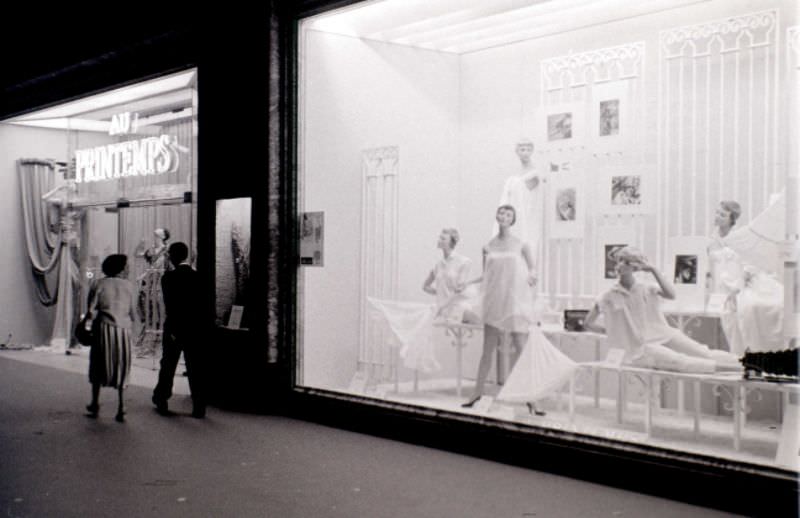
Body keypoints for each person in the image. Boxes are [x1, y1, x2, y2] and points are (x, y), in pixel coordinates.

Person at [584, 246, 740, 373]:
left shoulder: (645, 288)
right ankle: (739, 370)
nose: (619, 265)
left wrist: (653, 270)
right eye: (618, 261)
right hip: (641, 348)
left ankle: (748, 364)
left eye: (625, 262)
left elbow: (671, 294)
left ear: (635, 266)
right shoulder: (608, 295)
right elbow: (588, 323)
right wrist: (616, 332)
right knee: (681, 362)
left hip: (663, 334)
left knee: (704, 352)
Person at [461, 205, 540, 409]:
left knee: (521, 349)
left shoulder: (521, 245)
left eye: (508, 214)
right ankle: (477, 392)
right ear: (496, 216)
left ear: (512, 220)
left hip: (513, 300)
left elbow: (532, 269)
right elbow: (486, 275)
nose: (504, 217)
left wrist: (532, 276)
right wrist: (468, 283)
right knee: (487, 349)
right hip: (494, 300)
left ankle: (533, 398)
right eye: (501, 213)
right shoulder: (488, 246)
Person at [708, 201, 784, 355]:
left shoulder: (739, 239)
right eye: (717, 212)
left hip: (741, 280)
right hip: (723, 285)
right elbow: (713, 268)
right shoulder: (711, 241)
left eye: (723, 215)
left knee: (757, 306)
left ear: (731, 220)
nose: (718, 217)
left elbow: (748, 264)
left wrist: (740, 283)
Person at [152, 242, 206, 418]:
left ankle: (162, 398)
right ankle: (199, 405)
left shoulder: (167, 278)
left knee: (168, 364)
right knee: (195, 366)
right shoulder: (198, 277)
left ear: (173, 256)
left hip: (175, 326)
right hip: (195, 328)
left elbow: (171, 305)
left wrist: (174, 328)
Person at [84, 254, 137, 422]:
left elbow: (91, 310)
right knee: (122, 366)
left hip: (103, 329)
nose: (128, 269)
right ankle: (121, 407)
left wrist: (87, 327)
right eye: (126, 266)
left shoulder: (98, 283)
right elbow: (134, 313)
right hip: (123, 331)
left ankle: (95, 403)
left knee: (98, 365)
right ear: (121, 269)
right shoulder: (130, 287)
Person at [422, 228, 479, 323]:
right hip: (443, 310)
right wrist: (441, 292)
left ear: (451, 242)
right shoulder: (438, 265)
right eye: (440, 237)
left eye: (443, 238)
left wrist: (444, 303)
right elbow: (425, 287)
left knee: (481, 326)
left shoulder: (463, 262)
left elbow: (458, 291)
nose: (439, 240)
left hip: (458, 307)